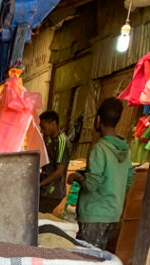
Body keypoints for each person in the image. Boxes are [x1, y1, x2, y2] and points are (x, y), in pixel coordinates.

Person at [69, 98, 135, 249]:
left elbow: (91, 185)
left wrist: (77, 177)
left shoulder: (100, 149)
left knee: (87, 259)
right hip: (113, 214)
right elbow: (129, 180)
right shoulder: (125, 149)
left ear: (98, 120)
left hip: (94, 215)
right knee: (99, 257)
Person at [38, 110, 70, 214]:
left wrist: (41, 184)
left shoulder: (61, 141)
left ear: (53, 123)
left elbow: (59, 171)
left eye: (43, 127)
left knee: (40, 216)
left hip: (53, 191)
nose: (42, 130)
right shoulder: (48, 140)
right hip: (45, 188)